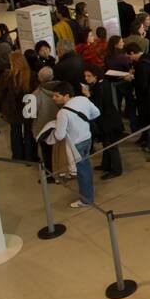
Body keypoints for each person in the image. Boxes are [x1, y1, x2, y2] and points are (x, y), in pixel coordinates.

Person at [42, 80, 100, 208]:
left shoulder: (62, 113)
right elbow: (96, 113)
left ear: (67, 96)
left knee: (82, 172)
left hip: (76, 144)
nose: (53, 98)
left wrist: (54, 127)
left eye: (57, 95)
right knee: (86, 167)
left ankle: (86, 200)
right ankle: (88, 192)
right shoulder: (82, 99)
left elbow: (59, 135)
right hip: (87, 139)